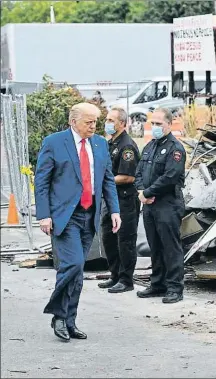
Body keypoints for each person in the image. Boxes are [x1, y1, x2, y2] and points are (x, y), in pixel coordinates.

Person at [34, 103, 121, 342]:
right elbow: (41, 181)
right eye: (88, 122)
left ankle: (69, 320)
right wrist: (43, 214)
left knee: (78, 273)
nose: (93, 126)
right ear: (74, 122)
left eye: (95, 121)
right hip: (65, 216)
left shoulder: (100, 144)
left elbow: (107, 180)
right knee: (72, 265)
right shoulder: (54, 142)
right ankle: (58, 315)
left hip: (89, 215)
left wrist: (114, 209)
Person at [135, 108, 186, 304]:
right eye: (153, 124)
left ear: (168, 124)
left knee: (170, 247)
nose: (155, 127)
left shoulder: (175, 149)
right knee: (154, 246)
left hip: (167, 204)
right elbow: (139, 172)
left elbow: (170, 177)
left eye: (159, 124)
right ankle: (158, 284)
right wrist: (141, 192)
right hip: (149, 205)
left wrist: (148, 193)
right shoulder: (150, 146)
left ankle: (174, 288)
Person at [98, 107, 140, 293]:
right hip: (111, 200)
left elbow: (128, 177)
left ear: (122, 123)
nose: (108, 124)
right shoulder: (110, 144)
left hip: (125, 200)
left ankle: (126, 280)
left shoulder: (127, 146)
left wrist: (104, 181)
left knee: (125, 241)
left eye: (111, 120)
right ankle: (115, 275)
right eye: (107, 120)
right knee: (108, 238)